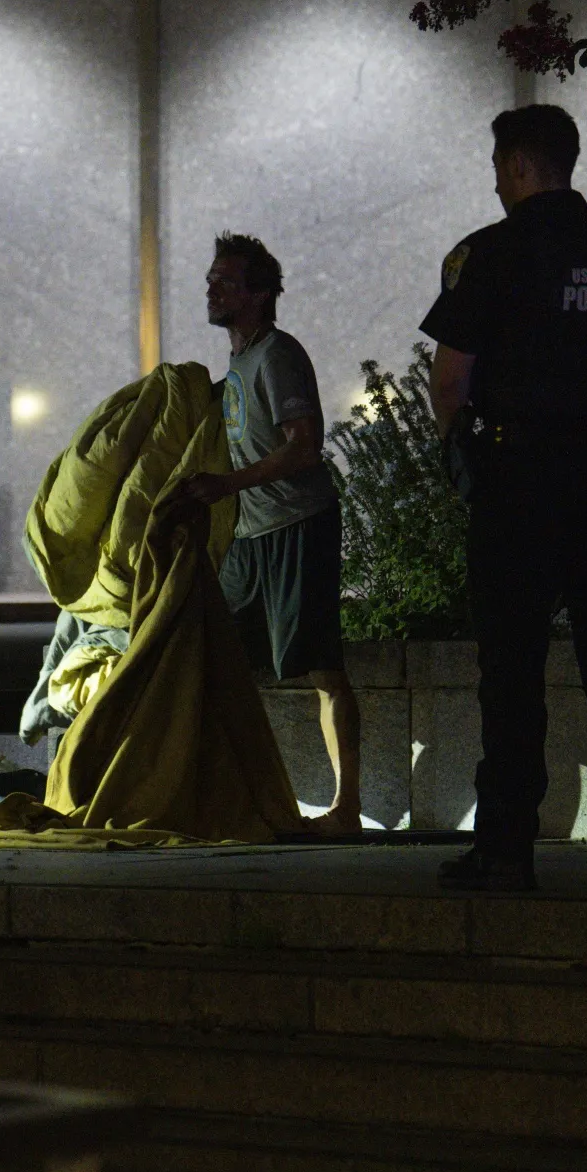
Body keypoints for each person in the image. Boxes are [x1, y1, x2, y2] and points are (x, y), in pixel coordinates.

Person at [423, 105, 587, 893]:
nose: (496, 181)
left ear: (518, 167)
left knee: (511, 669)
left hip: (516, 482)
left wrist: (457, 449)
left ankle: (506, 848)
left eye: (499, 167)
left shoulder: (487, 255)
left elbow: (449, 377)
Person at [179, 234, 362, 837]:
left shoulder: (278, 355)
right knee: (219, 656)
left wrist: (226, 485)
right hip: (251, 538)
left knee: (321, 670)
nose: (211, 290)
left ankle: (346, 809)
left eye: (225, 282)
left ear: (258, 295)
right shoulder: (238, 363)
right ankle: (235, 796)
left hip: (296, 526)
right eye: (211, 279)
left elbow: (303, 447)